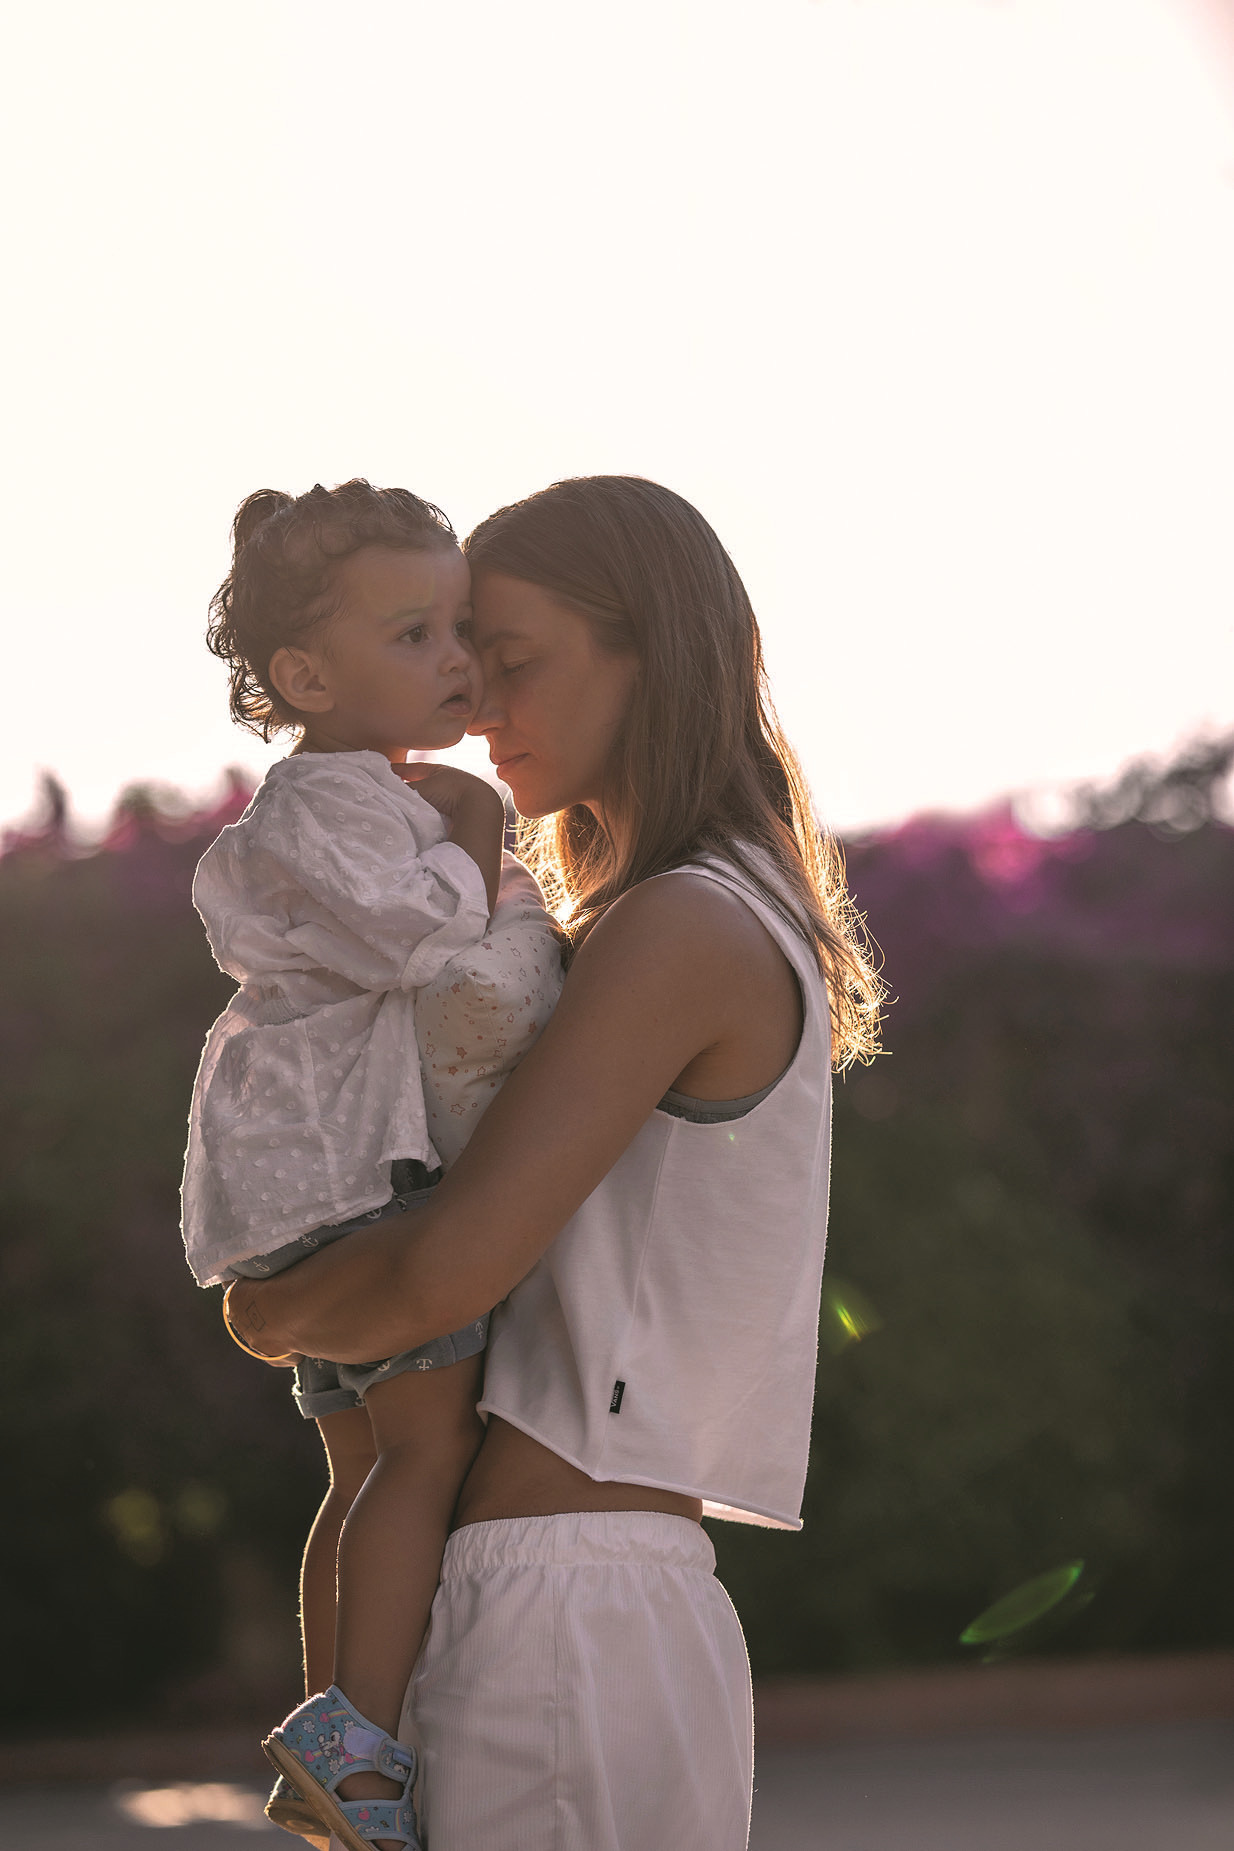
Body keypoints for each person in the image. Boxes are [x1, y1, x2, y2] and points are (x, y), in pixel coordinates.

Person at [224, 474, 883, 1851]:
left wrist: (265, 1309)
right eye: (458, 656)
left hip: (559, 1607)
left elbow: (444, 1273)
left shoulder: (683, 927)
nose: (474, 705)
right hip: (578, 1602)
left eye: (510, 660)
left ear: (649, 650)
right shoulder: (691, 913)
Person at [182, 480, 562, 1851]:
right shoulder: (334, 802)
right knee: (425, 1447)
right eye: (413, 634)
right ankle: (362, 1750)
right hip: (344, 1171)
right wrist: (476, 828)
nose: (456, 658)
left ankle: (337, 1735)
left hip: (306, 1173)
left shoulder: (345, 796)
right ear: (305, 677)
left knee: (359, 1469)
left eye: (459, 627)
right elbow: (427, 944)